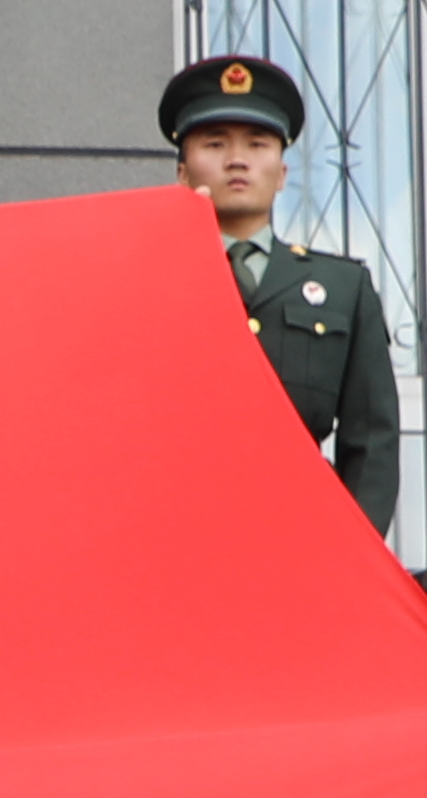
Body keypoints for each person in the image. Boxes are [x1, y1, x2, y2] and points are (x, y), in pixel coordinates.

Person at [164, 54, 397, 534]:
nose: (237, 159)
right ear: (184, 174)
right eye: (214, 143)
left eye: (257, 143)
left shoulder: (342, 288)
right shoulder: (152, 278)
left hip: (298, 535)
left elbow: (371, 440)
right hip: (176, 534)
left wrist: (355, 552)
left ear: (283, 172)